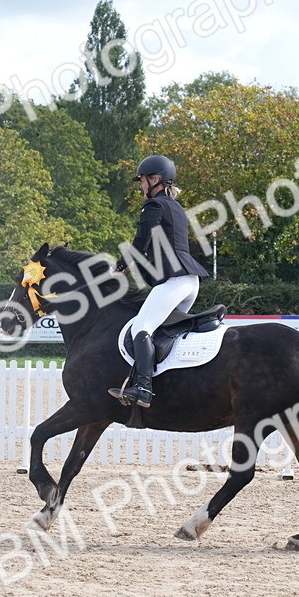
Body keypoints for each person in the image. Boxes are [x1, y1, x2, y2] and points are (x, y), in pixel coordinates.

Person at [109, 155, 209, 408]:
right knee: (162, 332)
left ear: (155, 180)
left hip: (173, 281)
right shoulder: (177, 208)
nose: (141, 186)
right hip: (190, 282)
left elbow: (141, 239)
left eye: (142, 181)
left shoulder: (154, 206)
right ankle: (166, 383)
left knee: (140, 329)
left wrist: (121, 265)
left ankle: (142, 387)